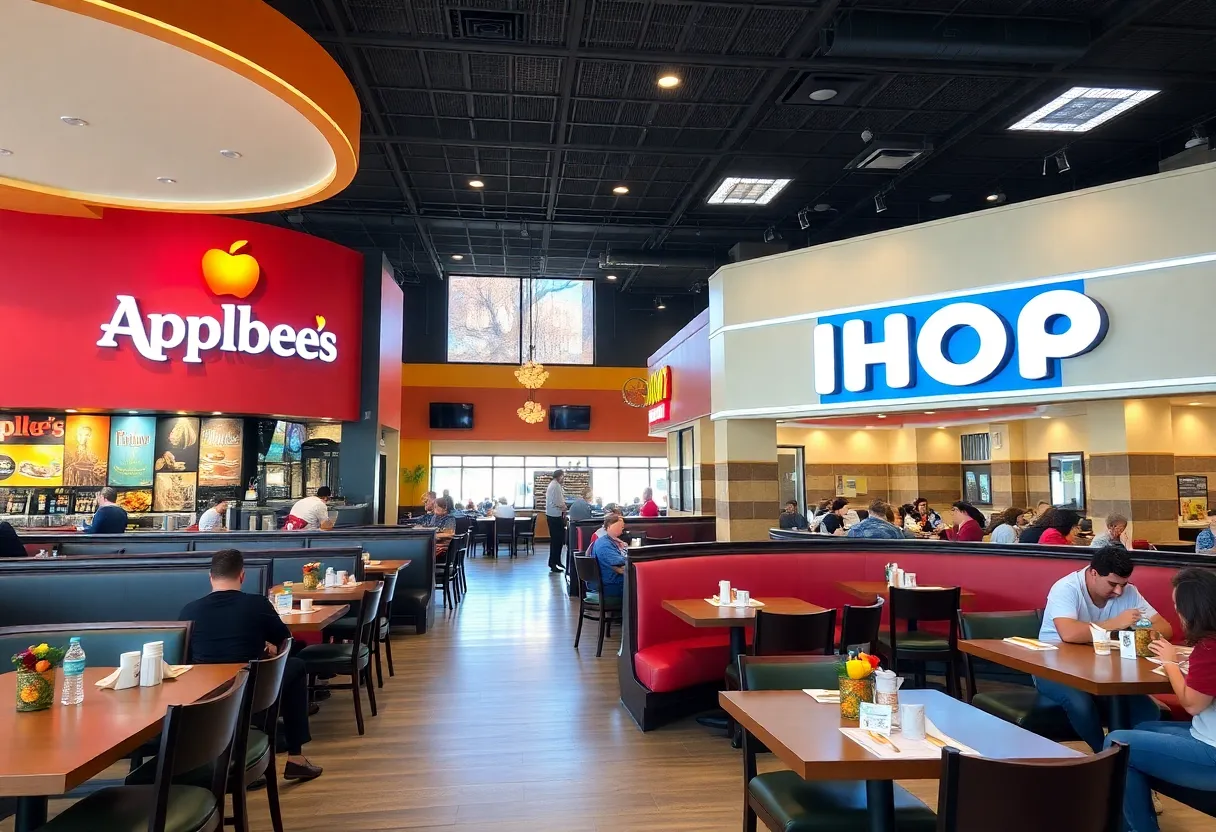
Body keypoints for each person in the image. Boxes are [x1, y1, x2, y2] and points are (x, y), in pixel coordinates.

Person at [179, 550, 321, 781]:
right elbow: (285, 641)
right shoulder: (256, 604)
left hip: (204, 695)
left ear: (210, 577)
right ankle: (295, 757)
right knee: (295, 665)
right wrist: (268, 649)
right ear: (242, 576)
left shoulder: (189, 610)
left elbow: (184, 658)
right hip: (248, 689)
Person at [1105, 568, 1216, 832]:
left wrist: (1170, 663)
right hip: (1207, 736)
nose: (1177, 613)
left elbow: (1192, 704)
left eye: (1178, 606)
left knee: (1116, 743)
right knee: (1141, 730)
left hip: (1211, 753)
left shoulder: (1209, 647)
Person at [1035, 546, 1174, 752]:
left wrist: (1143, 631)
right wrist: (1116, 623)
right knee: (1080, 703)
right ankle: (1105, 756)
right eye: (1112, 584)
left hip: (1105, 669)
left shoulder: (1129, 592)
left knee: (1148, 709)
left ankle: (1130, 756)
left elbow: (1166, 628)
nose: (1118, 591)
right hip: (1053, 668)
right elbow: (1069, 633)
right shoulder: (1066, 588)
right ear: (1093, 573)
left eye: (1123, 585)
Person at [588, 511, 628, 600]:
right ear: (611, 527)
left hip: (607, 582)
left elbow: (619, 567)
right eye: (621, 527)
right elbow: (621, 561)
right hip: (609, 586)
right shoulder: (604, 545)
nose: (622, 531)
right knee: (640, 583)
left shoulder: (607, 540)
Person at [545, 470, 568, 574]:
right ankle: (553, 563)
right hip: (555, 516)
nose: (563, 478)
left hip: (552, 515)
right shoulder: (556, 486)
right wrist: (564, 507)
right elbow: (558, 501)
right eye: (563, 476)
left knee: (557, 540)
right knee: (557, 541)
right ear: (560, 476)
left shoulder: (552, 484)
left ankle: (557, 561)